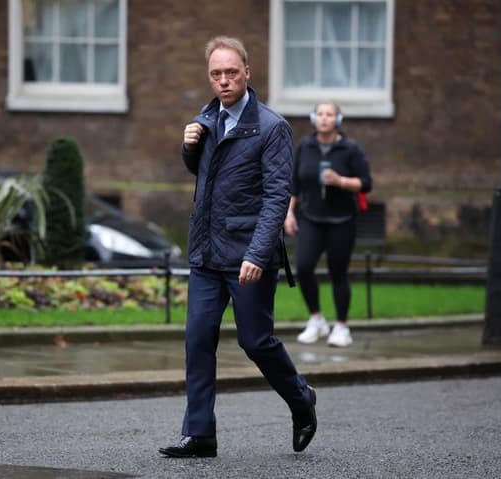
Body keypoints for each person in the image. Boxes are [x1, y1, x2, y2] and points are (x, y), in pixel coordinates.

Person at [158, 36, 317, 458]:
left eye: (231, 72)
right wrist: (189, 147)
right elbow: (203, 172)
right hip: (207, 253)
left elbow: (276, 196)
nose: (224, 80)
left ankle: (302, 399)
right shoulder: (207, 118)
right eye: (216, 74)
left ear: (247, 72)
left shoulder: (272, 127)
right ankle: (200, 434)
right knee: (197, 339)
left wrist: (257, 254)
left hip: (248, 255)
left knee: (256, 341)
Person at [284, 102, 372, 348]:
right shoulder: (305, 146)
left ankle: (341, 326)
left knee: (338, 272)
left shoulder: (350, 148)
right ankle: (316, 319)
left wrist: (340, 181)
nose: (324, 118)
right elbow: (294, 184)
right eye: (320, 114)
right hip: (309, 217)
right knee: (303, 267)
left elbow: (366, 183)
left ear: (338, 120)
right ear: (313, 118)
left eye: (329, 114)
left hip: (342, 219)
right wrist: (289, 213)